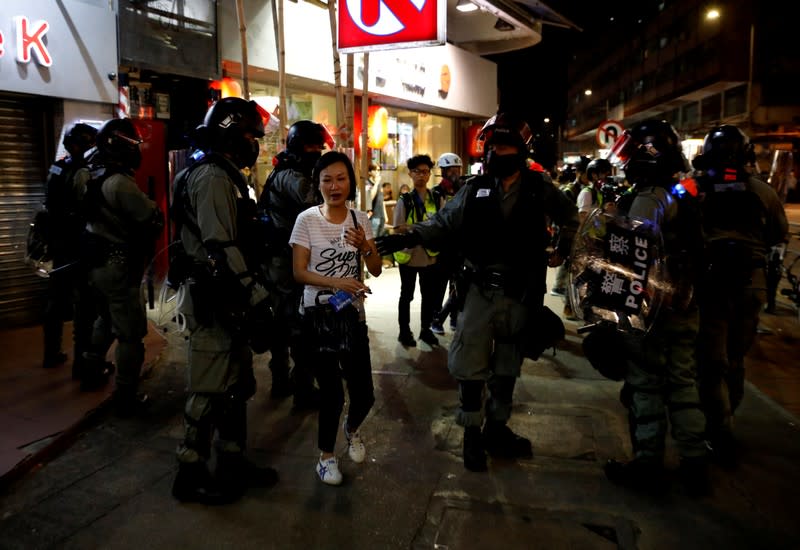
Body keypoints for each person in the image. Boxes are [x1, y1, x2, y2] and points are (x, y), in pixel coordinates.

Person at [376, 113, 579, 472]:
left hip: (520, 294)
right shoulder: (474, 189)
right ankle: (471, 435)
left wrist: (563, 248)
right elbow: (441, 223)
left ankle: (497, 429)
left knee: (506, 368)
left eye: (506, 146)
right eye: (493, 146)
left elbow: (571, 218)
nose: (498, 152)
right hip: (478, 292)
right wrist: (406, 235)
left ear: (520, 150)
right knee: (470, 367)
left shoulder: (539, 187)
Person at [171, 97, 278, 505]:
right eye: (251, 134)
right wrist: (256, 293)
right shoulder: (214, 177)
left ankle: (231, 461)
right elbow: (220, 245)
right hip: (217, 297)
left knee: (235, 384)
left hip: (228, 295)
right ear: (233, 133)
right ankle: (190, 471)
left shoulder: (225, 174)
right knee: (209, 388)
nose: (255, 143)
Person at [602, 119, 710, 496]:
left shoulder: (651, 196)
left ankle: (648, 463)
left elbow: (633, 246)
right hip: (685, 305)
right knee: (683, 384)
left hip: (653, 311)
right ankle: (695, 462)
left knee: (646, 385)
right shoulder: (681, 192)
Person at [692, 125, 788, 465]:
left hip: (711, 285)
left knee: (712, 361)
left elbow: (661, 215)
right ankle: (725, 420)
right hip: (752, 286)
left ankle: (719, 428)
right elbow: (779, 235)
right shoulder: (764, 192)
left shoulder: (691, 187)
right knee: (734, 359)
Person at [290, 151, 382, 485]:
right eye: (327, 179)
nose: (334, 186)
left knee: (365, 394)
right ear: (318, 184)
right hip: (318, 319)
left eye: (341, 178)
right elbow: (299, 273)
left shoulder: (359, 218)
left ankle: (352, 428)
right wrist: (337, 282)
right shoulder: (307, 220)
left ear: (351, 182)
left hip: (352, 318)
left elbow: (376, 268)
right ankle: (326, 457)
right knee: (331, 393)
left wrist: (366, 247)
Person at [80, 118, 163, 413]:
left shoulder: (92, 174)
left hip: (96, 263)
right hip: (118, 265)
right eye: (134, 144)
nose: (137, 150)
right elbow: (150, 216)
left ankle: (90, 370)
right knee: (130, 333)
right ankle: (126, 395)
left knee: (105, 317)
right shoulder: (119, 182)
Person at [258, 120, 332, 407]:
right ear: (299, 147)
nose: (317, 151)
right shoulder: (291, 176)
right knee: (298, 324)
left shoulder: (289, 171)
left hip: (285, 261)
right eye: (312, 146)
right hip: (285, 264)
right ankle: (301, 387)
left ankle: (282, 380)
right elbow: (319, 202)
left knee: (285, 323)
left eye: (319, 147)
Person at [41, 123, 97, 373]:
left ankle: (51, 354)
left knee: (55, 301)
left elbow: (49, 199)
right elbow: (87, 208)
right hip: (77, 244)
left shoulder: (57, 166)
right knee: (83, 306)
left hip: (57, 242)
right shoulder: (83, 172)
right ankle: (81, 363)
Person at [392, 154, 442, 348]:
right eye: (417, 171)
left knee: (429, 296)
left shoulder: (436, 198)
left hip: (430, 256)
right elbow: (397, 228)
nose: (422, 175)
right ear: (410, 174)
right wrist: (422, 227)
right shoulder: (405, 200)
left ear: (429, 174)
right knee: (407, 295)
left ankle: (425, 330)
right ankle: (404, 332)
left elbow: (441, 225)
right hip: (409, 256)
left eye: (425, 171)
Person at [430, 152, 464, 335]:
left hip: (459, 246)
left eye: (457, 169)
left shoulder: (462, 190)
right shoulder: (437, 192)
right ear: (443, 171)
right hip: (443, 247)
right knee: (440, 285)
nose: (455, 173)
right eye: (451, 169)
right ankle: (436, 319)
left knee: (458, 285)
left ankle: (452, 317)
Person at [552, 156, 590, 319]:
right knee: (572, 270)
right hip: (571, 236)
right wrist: (562, 246)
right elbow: (565, 221)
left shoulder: (586, 190)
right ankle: (569, 306)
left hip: (580, 235)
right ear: (580, 173)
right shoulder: (570, 191)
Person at [576, 158, 612, 223]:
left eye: (607, 173)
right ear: (593, 174)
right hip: (589, 233)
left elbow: (596, 213)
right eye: (603, 173)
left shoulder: (597, 191)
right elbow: (583, 219)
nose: (605, 177)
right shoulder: (587, 193)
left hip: (598, 233)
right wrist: (603, 217)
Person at [365, 163, 386, 239]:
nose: (378, 172)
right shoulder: (367, 183)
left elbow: (382, 200)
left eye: (379, 170)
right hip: (373, 217)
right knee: (373, 240)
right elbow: (370, 198)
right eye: (376, 170)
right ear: (370, 172)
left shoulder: (379, 183)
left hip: (381, 216)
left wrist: (385, 215)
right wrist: (376, 183)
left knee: (381, 240)